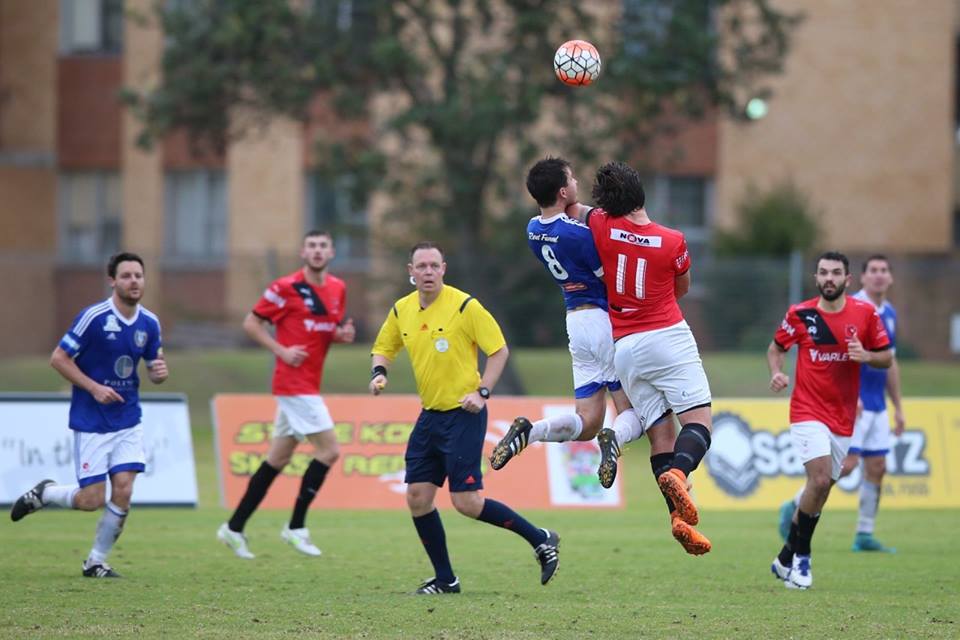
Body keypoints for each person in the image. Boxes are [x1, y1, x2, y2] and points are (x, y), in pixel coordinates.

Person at [369, 241, 560, 594]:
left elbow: (499, 351)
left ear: (444, 269)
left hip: (464, 415)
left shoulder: (464, 306)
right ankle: (446, 580)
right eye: (421, 266)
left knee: (467, 503)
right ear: (410, 272)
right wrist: (379, 373)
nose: (428, 271)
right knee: (417, 497)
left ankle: (540, 538)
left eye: (434, 265)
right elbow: (383, 347)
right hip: (430, 417)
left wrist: (482, 392)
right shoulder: (401, 310)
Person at [490, 157, 651, 491]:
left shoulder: (533, 229)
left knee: (588, 422)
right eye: (572, 178)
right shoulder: (578, 234)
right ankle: (615, 438)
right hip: (602, 320)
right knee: (633, 412)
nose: (577, 181)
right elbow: (607, 278)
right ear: (563, 191)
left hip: (575, 322)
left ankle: (532, 431)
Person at [10, 252, 168, 578]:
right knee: (91, 500)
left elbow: (155, 367)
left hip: (128, 419)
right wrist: (94, 388)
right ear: (112, 281)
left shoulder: (150, 323)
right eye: (126, 276)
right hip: (93, 420)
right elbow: (58, 358)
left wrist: (159, 373)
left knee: (124, 489)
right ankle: (46, 493)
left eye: (138, 275)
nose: (134, 281)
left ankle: (96, 561)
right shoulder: (94, 317)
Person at [586, 161, 714, 555]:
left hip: (625, 348)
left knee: (661, 435)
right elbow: (682, 287)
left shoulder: (601, 225)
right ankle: (679, 471)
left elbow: (575, 209)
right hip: (666, 337)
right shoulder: (673, 240)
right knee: (699, 423)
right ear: (641, 195)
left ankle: (677, 519)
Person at [217, 230, 355, 559]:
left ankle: (233, 528)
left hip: (309, 383)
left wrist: (341, 335)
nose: (317, 251)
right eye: (312, 246)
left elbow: (323, 331)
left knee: (277, 459)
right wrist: (281, 350)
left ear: (332, 252)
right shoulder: (285, 287)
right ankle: (296, 527)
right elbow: (251, 323)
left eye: (323, 246)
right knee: (330, 450)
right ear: (302, 252)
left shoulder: (338, 288)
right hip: (293, 385)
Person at [768, 251, 892, 590]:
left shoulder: (865, 314)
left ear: (847, 279)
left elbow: (886, 357)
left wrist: (866, 355)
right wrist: (777, 372)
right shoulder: (801, 314)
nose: (829, 278)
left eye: (836, 273)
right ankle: (802, 559)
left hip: (843, 417)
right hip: (807, 410)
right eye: (823, 272)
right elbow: (776, 348)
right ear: (816, 277)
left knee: (821, 489)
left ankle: (785, 556)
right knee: (820, 480)